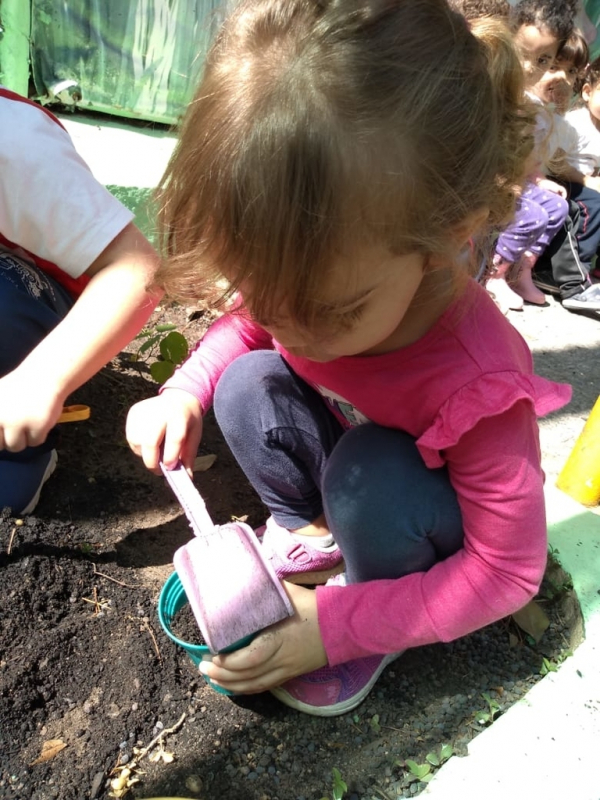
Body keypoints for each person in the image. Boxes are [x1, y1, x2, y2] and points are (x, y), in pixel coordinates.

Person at [127, 0, 571, 717]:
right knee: (245, 382)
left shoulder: (477, 380)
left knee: (371, 470)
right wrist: (182, 394)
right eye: (266, 294)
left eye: (327, 310)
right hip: (355, 465)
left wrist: (332, 631)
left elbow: (507, 571)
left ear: (443, 238)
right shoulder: (322, 282)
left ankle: (370, 605)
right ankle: (311, 532)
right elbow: (246, 329)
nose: (287, 328)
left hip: (418, 512)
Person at [0, 87, 161, 514]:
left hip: (33, 332)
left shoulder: (11, 141)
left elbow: (137, 271)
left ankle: (24, 447)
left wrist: (40, 379)